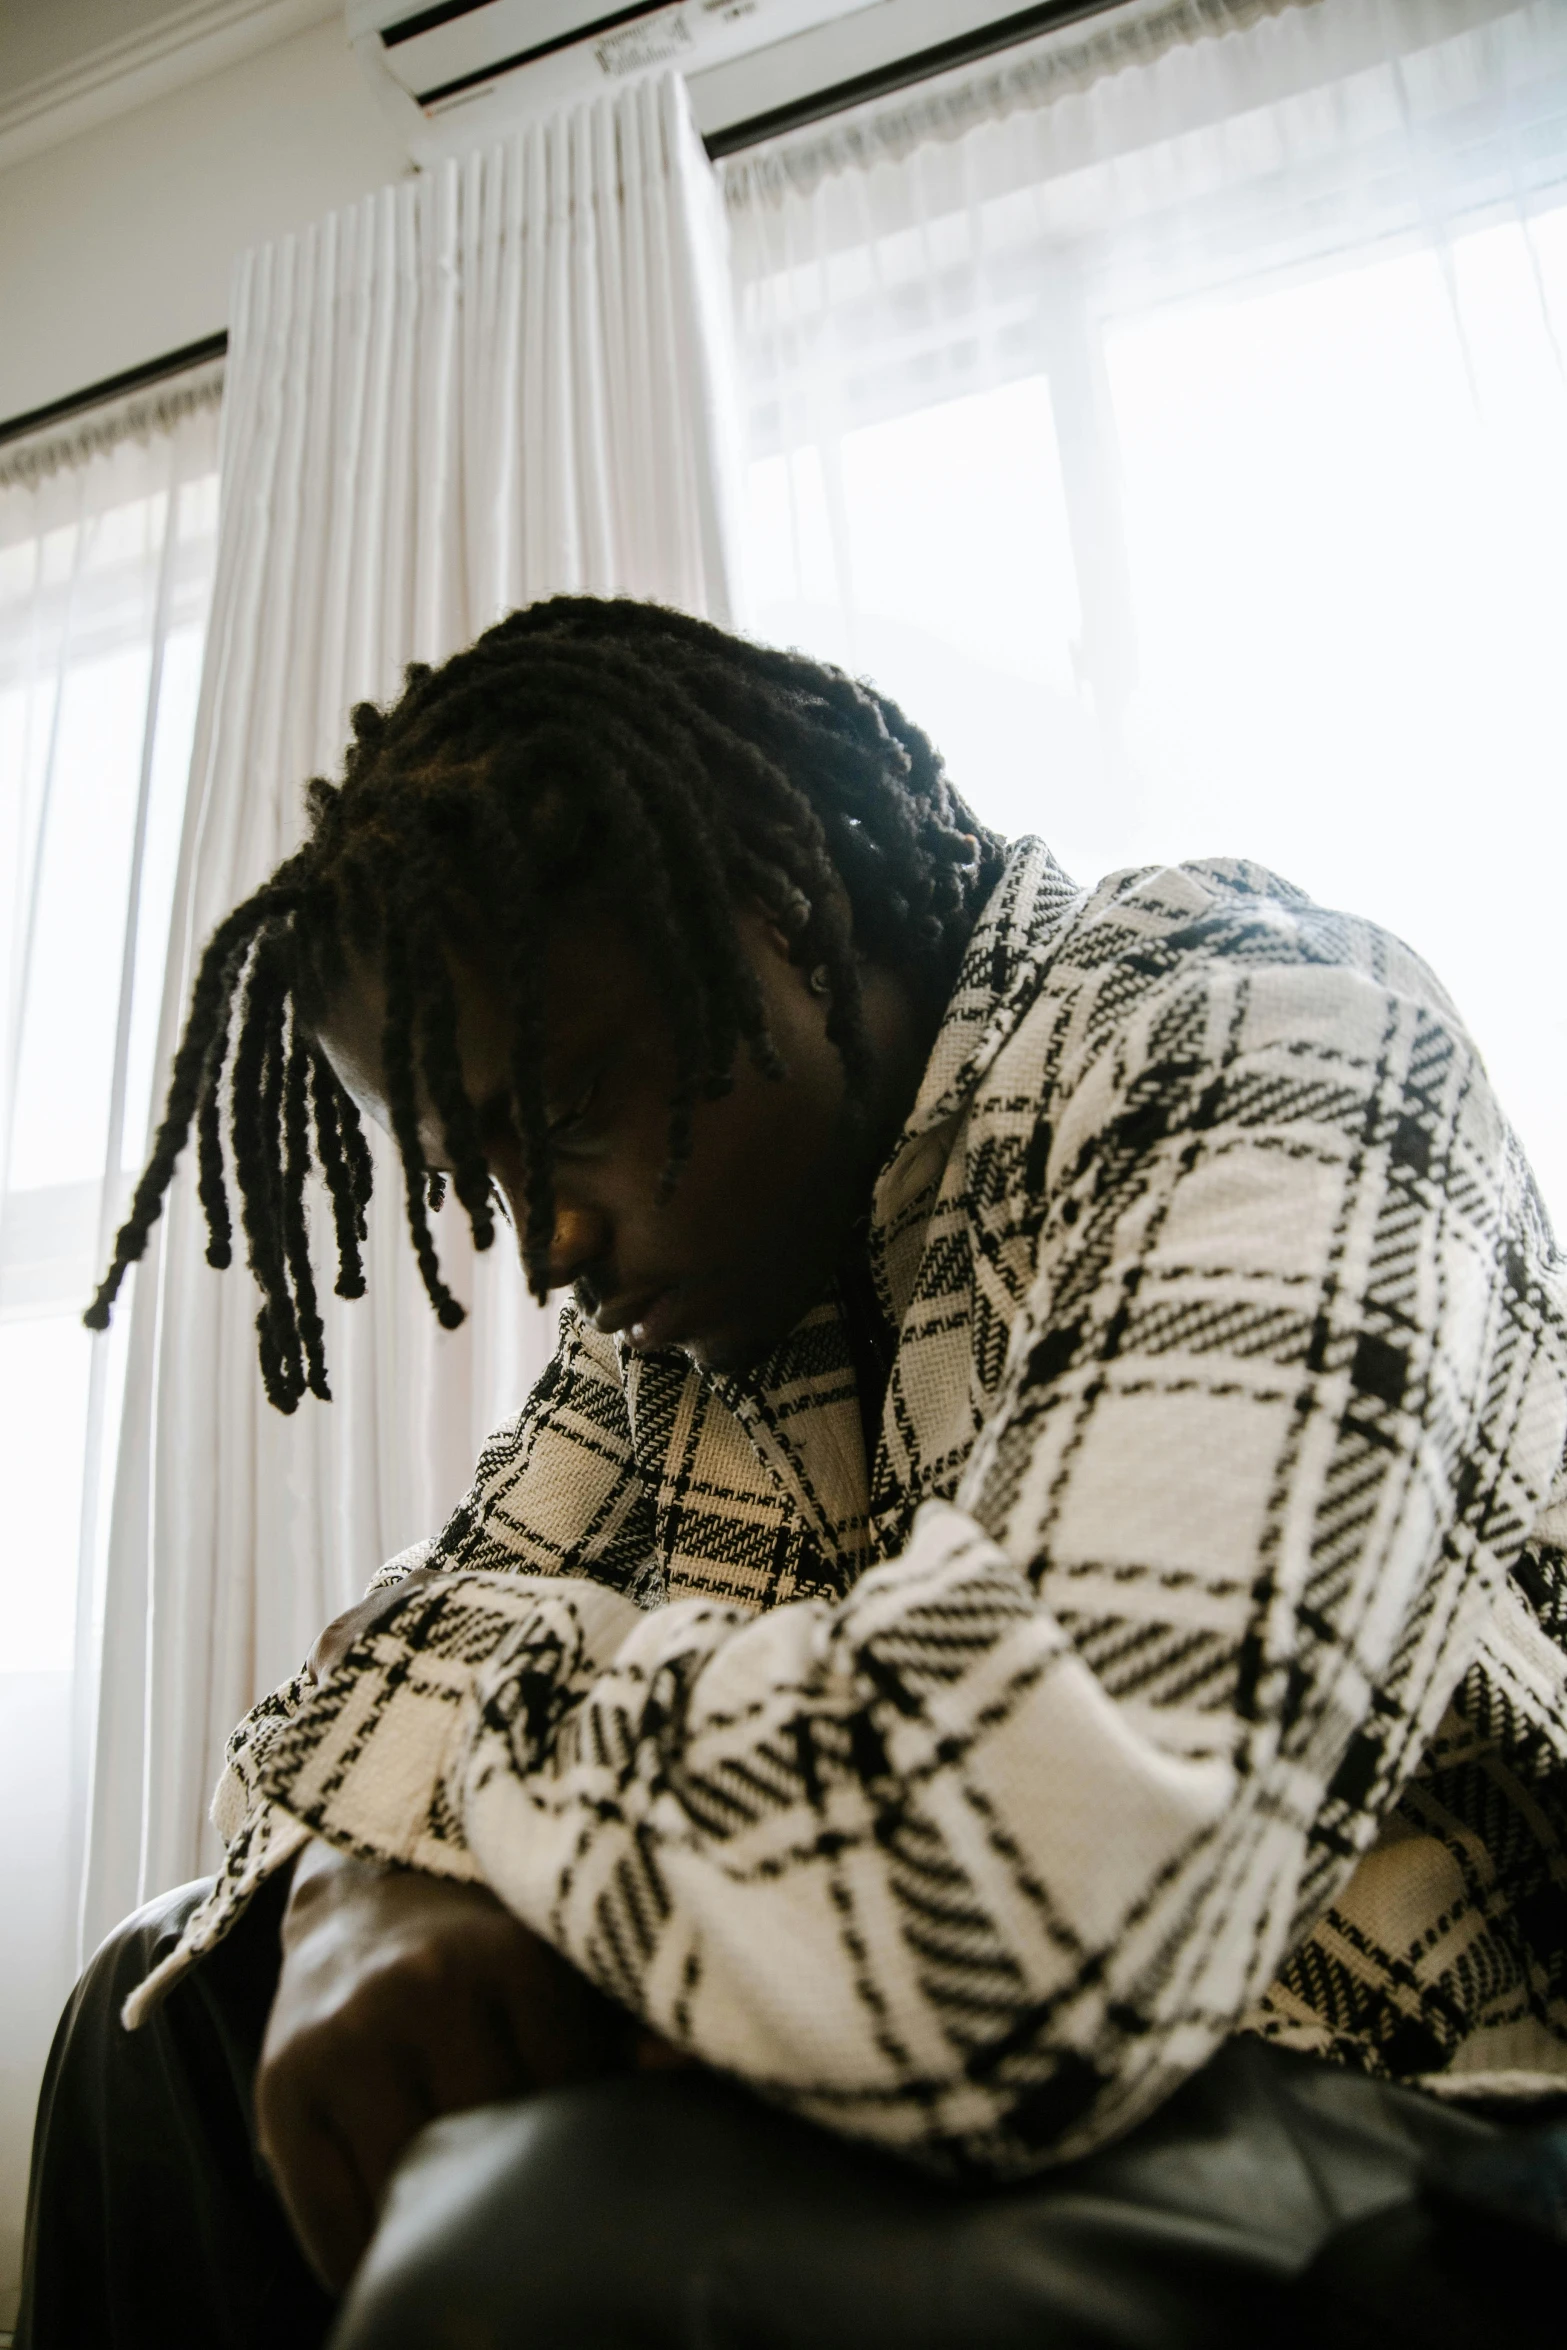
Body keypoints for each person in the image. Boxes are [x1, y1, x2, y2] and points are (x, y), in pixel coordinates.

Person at [18, 598, 1567, 2348]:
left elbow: (1025, 1880)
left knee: (535, 2247)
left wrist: (454, 1797)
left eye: (578, 1097)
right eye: (489, 1171)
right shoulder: (709, 1294)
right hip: (988, 2023)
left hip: (1433, 2097)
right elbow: (371, 1681)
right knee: (158, 2032)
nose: (552, 1242)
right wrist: (354, 1883)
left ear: (784, 899)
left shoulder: (1268, 1034)